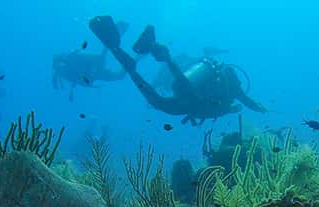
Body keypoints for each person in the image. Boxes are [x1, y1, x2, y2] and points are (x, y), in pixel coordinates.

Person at [89, 15, 267, 125]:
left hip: (187, 96)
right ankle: (133, 56)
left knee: (161, 99)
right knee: (162, 99)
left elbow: (243, 102)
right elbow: (246, 101)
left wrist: (254, 107)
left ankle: (126, 51)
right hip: (190, 99)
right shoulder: (232, 88)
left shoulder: (226, 88)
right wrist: (259, 108)